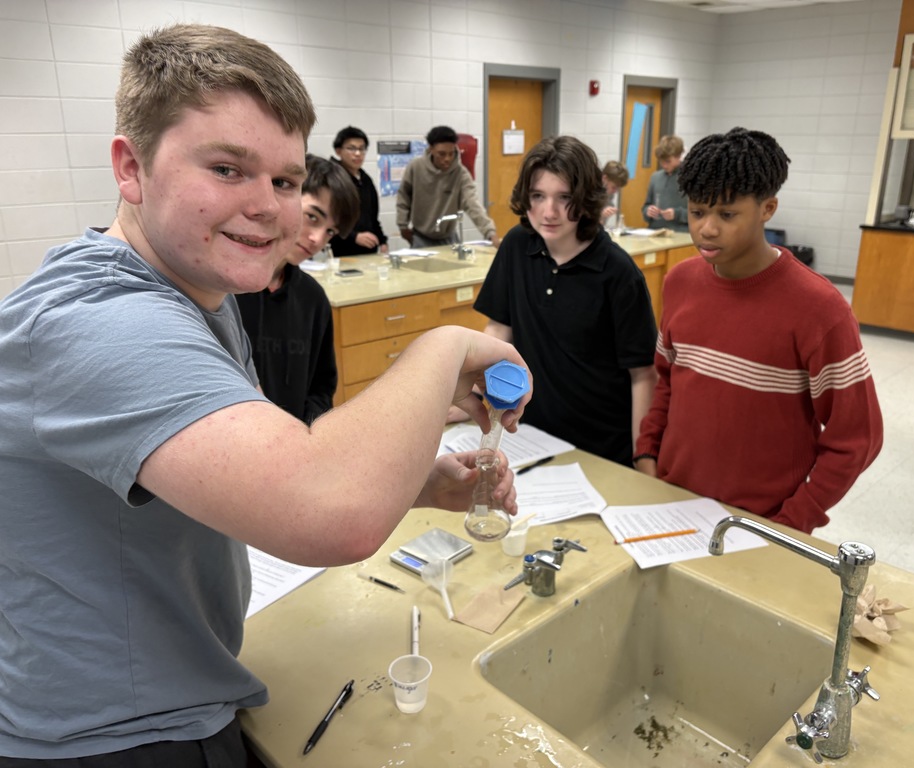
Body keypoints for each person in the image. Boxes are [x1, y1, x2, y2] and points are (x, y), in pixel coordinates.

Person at [0, 24, 529, 763]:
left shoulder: (200, 293)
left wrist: (410, 484)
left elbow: (246, 473)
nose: (270, 209)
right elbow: (327, 509)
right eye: (226, 169)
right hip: (113, 737)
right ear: (131, 168)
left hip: (182, 690)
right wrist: (443, 347)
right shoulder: (99, 322)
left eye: (283, 181)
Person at [634, 127, 883, 534]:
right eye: (697, 212)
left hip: (763, 523)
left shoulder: (820, 309)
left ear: (767, 209)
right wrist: (647, 453)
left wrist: (794, 520)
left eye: (727, 214)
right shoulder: (680, 282)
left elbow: (858, 437)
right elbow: (668, 381)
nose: (707, 229)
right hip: (673, 500)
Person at [473, 135, 657, 466]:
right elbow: (499, 330)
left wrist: (642, 458)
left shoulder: (618, 272)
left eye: (564, 197)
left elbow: (642, 375)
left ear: (586, 199)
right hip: (529, 437)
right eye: (538, 196)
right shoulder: (517, 245)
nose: (549, 212)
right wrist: (476, 398)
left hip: (600, 449)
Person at [236, 154, 357, 424]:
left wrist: (303, 432)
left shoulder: (313, 299)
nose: (317, 239)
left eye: (330, 232)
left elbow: (322, 387)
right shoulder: (224, 291)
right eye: (313, 217)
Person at [396, 125, 501, 249]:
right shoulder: (415, 167)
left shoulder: (461, 174)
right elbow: (404, 197)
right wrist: (402, 226)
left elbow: (472, 204)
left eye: (451, 154)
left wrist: (490, 233)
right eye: (442, 154)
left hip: (448, 238)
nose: (447, 159)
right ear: (431, 149)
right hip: (421, 237)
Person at [329, 125, 389, 256]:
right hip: (343, 251)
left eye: (362, 149)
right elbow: (329, 219)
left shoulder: (366, 180)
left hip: (369, 252)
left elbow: (373, 218)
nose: (358, 153)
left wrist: (382, 241)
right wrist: (354, 237)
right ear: (338, 151)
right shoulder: (332, 179)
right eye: (351, 148)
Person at [641, 134, 688, 232]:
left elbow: (700, 214)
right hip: (655, 232)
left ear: (678, 156)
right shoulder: (655, 177)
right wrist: (648, 211)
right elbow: (646, 206)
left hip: (680, 234)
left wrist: (677, 214)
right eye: (661, 161)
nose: (664, 165)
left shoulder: (690, 178)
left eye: (668, 161)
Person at [601, 160, 629, 228]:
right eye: (614, 187)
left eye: (618, 188)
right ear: (604, 178)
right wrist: (600, 215)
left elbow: (600, 224)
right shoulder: (589, 189)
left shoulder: (608, 191)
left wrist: (602, 216)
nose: (615, 191)